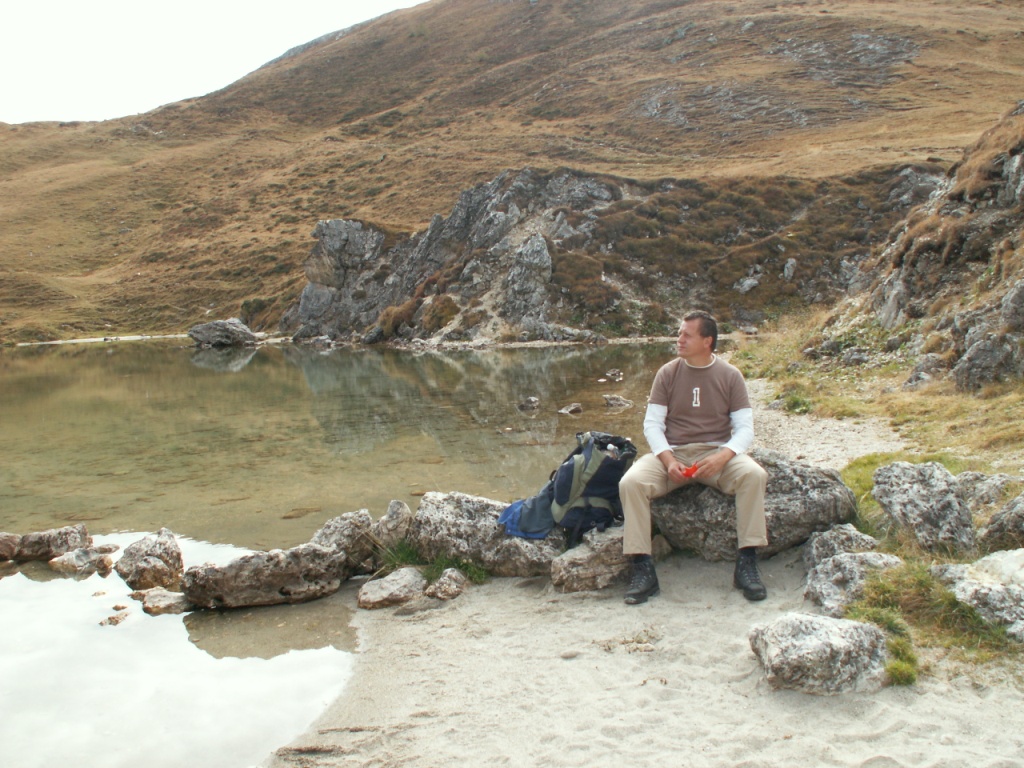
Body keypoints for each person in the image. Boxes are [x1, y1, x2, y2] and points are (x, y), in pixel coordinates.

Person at [619, 310, 769, 605]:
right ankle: (642, 568)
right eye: (679, 334)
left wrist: (723, 456)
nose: (679, 339)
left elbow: (745, 429)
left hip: (716, 454)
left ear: (707, 341)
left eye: (687, 335)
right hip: (673, 453)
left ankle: (747, 563)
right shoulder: (667, 373)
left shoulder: (730, 375)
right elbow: (652, 425)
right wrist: (668, 460)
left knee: (754, 476)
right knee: (631, 483)